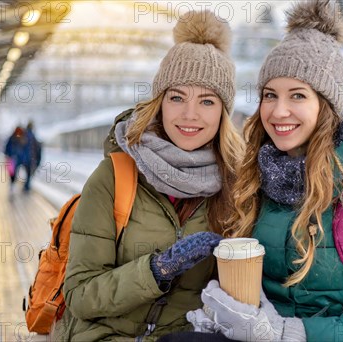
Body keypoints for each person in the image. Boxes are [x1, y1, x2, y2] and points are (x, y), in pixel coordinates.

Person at [186, 1, 343, 341]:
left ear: (325, 106)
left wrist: (283, 332)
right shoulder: (259, 178)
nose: (279, 112)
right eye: (269, 95)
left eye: (297, 95)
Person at [52, 10, 242, 341]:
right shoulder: (116, 175)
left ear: (223, 112)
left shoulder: (235, 185)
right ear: (160, 102)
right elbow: (80, 295)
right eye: (177, 97)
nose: (190, 114)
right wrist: (157, 270)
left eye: (207, 101)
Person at [5, 126, 33, 192]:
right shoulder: (14, 138)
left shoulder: (23, 138)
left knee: (20, 172)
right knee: (13, 173)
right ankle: (15, 185)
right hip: (16, 158)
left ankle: (25, 186)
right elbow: (7, 148)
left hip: (21, 158)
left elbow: (27, 149)